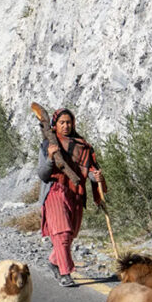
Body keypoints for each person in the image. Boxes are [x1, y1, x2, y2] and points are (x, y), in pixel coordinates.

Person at [35, 108, 107, 287]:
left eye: (68, 122)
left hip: (75, 193)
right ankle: (64, 272)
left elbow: (89, 171)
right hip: (55, 190)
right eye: (62, 123)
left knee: (71, 233)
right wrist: (51, 158)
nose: (66, 126)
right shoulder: (48, 145)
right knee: (62, 232)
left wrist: (96, 177)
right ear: (55, 125)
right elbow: (43, 175)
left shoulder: (82, 146)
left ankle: (53, 261)